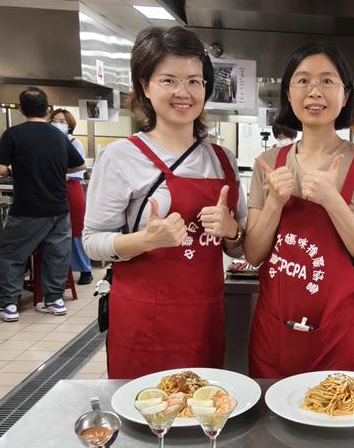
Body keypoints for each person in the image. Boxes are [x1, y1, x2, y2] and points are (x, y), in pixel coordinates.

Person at [82, 27, 247, 380]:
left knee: (203, 403)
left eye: (194, 81)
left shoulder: (223, 160)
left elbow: (238, 248)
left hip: (203, 318)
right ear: (145, 85)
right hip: (143, 319)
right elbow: (92, 241)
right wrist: (146, 240)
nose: (183, 93)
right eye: (169, 80)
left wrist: (232, 230)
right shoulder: (121, 156)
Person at [245, 42, 354, 379]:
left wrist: (332, 201)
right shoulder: (267, 163)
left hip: (337, 337)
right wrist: (274, 203)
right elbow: (253, 254)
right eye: (303, 80)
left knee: (340, 410)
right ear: (288, 92)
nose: (314, 91)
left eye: (327, 81)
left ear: (345, 94)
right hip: (274, 334)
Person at [0, 86, 86, 322]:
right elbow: (79, 165)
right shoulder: (59, 136)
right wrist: (57, 170)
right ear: (47, 110)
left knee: (12, 255)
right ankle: (54, 300)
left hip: (27, 208)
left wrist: (14, 170)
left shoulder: (13, 134)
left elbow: (0, 169)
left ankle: (8, 305)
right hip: (58, 208)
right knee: (56, 255)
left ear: (21, 109)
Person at [48, 108, 93, 285]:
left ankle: (85, 269)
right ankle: (59, 271)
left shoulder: (75, 143)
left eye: (62, 121)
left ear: (69, 125)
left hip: (71, 189)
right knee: (56, 232)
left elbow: (78, 170)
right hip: (52, 189)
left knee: (76, 229)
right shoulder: (48, 142)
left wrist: (60, 173)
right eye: (55, 120)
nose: (58, 124)